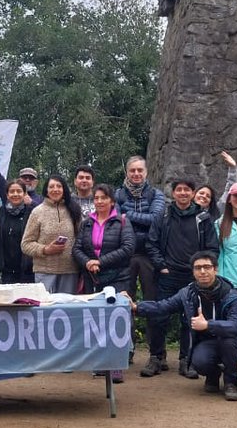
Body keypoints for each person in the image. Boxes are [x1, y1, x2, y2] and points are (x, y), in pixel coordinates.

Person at [132, 251, 237, 400]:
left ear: (215, 269)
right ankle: (213, 374)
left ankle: (231, 382)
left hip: (231, 340)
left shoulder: (231, 294)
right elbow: (163, 307)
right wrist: (136, 307)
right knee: (198, 363)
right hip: (206, 341)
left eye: (207, 267)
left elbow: (236, 326)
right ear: (193, 271)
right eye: (198, 268)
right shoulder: (187, 293)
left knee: (228, 341)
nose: (203, 271)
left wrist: (208, 325)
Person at [145, 179, 220, 379]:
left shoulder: (203, 218)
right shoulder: (163, 215)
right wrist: (161, 265)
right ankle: (156, 357)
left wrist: (203, 269)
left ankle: (186, 360)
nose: (183, 193)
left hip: (193, 277)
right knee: (159, 316)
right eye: (179, 190)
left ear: (193, 193)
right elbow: (151, 244)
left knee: (190, 319)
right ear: (174, 193)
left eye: (187, 190)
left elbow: (212, 247)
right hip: (168, 275)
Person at [72, 184, 134, 382]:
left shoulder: (122, 221)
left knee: (117, 321)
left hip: (117, 277)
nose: (99, 201)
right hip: (93, 278)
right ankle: (100, 363)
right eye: (96, 198)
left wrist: (101, 262)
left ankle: (116, 366)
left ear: (112, 201)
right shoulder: (86, 223)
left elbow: (128, 248)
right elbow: (77, 248)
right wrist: (87, 262)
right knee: (96, 321)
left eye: (103, 198)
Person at [114, 155, 166, 305]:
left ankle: (152, 329)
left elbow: (155, 219)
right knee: (124, 299)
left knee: (152, 298)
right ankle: (126, 329)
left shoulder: (156, 194)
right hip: (125, 253)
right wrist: (143, 218)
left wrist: (128, 214)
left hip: (149, 252)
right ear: (127, 173)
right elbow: (117, 221)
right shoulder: (118, 194)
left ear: (146, 172)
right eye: (132, 170)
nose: (136, 173)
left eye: (140, 170)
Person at [20, 174, 82, 293]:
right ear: (46, 191)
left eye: (59, 186)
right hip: (44, 271)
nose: (55, 189)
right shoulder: (37, 212)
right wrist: (45, 249)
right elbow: (26, 244)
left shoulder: (74, 210)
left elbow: (81, 238)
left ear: (64, 189)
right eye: (51, 186)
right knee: (46, 309)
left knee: (67, 309)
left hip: (70, 271)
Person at [0, 178, 35, 284]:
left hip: (28, 271)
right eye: (12, 191)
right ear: (7, 195)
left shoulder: (31, 212)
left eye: (19, 191)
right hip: (7, 271)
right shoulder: (2, 212)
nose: (15, 194)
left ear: (25, 194)